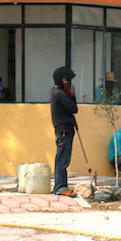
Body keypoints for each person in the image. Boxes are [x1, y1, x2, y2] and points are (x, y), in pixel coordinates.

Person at [50, 66, 78, 197]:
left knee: (63, 158)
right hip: (64, 130)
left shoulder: (54, 91)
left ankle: (62, 185)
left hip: (65, 129)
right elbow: (73, 108)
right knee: (62, 159)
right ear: (63, 81)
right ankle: (60, 187)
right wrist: (71, 95)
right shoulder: (60, 94)